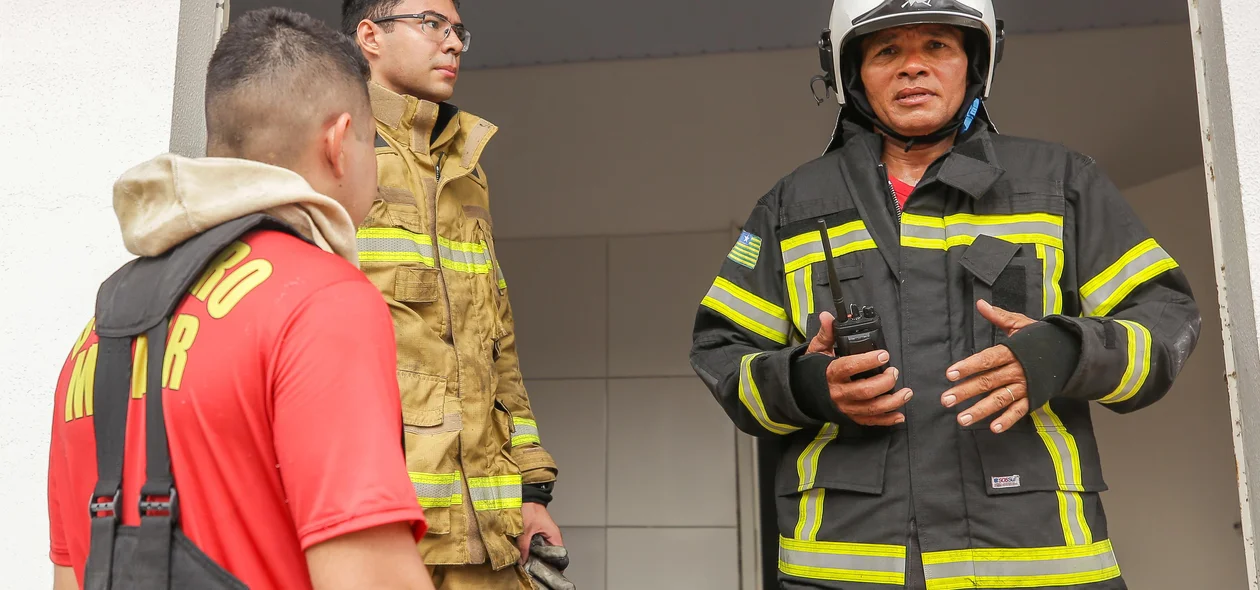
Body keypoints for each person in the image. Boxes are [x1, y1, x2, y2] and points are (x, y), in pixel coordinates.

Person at [689, 0, 1201, 588]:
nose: (913, 68)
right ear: (851, 73)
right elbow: (721, 351)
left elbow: (1166, 319)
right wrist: (808, 385)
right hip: (844, 567)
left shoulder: (1060, 182)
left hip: (1038, 560)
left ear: (975, 63)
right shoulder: (792, 206)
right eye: (887, 51)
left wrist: (1063, 353)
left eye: (936, 46)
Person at [46, 8, 437, 590]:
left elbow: (69, 576)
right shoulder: (320, 301)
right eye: (371, 145)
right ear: (338, 146)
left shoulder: (101, 333)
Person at [340, 2, 569, 588]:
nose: (454, 43)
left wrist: (531, 490)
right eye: (431, 24)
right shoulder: (338, 145)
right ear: (370, 35)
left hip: (487, 529)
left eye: (458, 30)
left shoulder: (466, 162)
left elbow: (498, 341)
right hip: (384, 525)